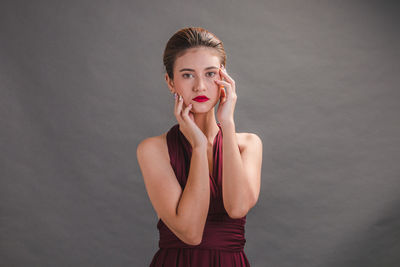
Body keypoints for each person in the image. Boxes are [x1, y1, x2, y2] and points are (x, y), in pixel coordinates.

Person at [136, 27, 263, 266]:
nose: (200, 87)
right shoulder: (153, 149)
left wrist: (227, 123)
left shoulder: (249, 144)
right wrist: (198, 146)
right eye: (187, 75)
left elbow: (236, 208)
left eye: (210, 73)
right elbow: (191, 233)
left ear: (224, 78)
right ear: (170, 82)